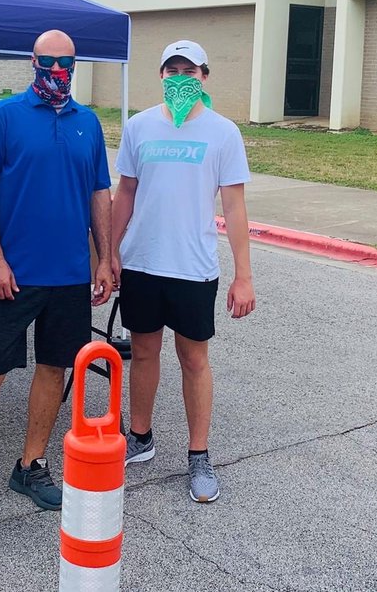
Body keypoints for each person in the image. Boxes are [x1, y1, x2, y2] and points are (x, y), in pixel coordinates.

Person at [0, 29, 114, 547]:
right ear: (32, 62)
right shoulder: (4, 116)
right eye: (49, 61)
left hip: (68, 277)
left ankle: (30, 464)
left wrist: (106, 258)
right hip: (11, 277)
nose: (58, 70)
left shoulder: (88, 122)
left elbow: (99, 192)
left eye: (67, 62)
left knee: (53, 370)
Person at [110, 40, 255, 504]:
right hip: (142, 263)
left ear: (204, 77)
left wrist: (243, 275)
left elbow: (234, 207)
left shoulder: (223, 132)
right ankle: (140, 436)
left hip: (193, 268)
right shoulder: (139, 126)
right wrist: (109, 253)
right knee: (145, 353)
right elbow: (125, 193)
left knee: (194, 360)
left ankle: (198, 455)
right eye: (171, 69)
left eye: (188, 70)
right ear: (161, 75)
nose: (179, 77)